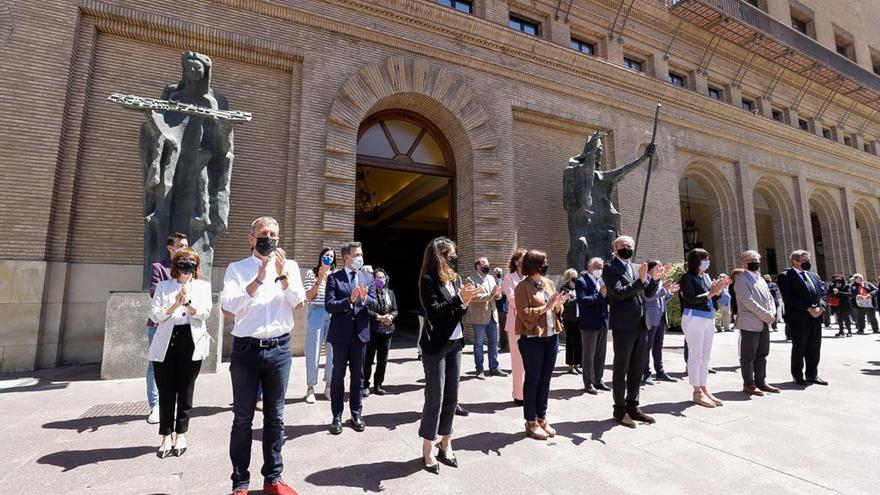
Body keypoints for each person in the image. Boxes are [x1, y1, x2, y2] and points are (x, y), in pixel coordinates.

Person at [221, 216, 305, 495]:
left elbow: (298, 302)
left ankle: (273, 478)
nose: (269, 237)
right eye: (263, 233)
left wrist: (281, 275)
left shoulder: (289, 266)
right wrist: (258, 277)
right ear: (251, 238)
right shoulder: (237, 269)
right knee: (243, 418)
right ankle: (240, 483)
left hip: (279, 349)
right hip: (246, 350)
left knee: (276, 417)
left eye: (273, 234)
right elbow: (229, 307)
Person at [417, 237, 479, 473]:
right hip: (436, 345)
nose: (455, 257)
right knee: (436, 397)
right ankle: (427, 448)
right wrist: (458, 299)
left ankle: (446, 441)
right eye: (451, 254)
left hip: (455, 343)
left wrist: (465, 301)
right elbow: (434, 312)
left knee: (452, 396)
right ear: (440, 256)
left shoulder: (456, 278)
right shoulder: (428, 279)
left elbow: (457, 313)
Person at [148, 246, 210, 458]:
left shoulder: (203, 287)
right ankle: (165, 435)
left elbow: (204, 314)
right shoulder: (164, 286)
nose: (187, 265)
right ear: (176, 265)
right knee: (166, 390)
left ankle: (181, 433)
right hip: (167, 339)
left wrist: (189, 303)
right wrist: (175, 304)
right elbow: (156, 315)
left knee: (186, 389)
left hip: (190, 340)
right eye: (183, 261)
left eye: (192, 261)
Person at [603, 236, 667, 427]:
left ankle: (634, 407)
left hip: (641, 324)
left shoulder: (635, 267)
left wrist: (654, 280)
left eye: (630, 245)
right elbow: (619, 293)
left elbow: (646, 293)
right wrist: (641, 280)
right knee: (621, 368)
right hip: (623, 326)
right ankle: (620, 410)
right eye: (623, 246)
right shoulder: (610, 267)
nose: (627, 248)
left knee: (637, 369)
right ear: (614, 249)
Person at [325, 241, 379, 435]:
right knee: (338, 377)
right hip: (340, 335)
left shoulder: (367, 277)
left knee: (358, 377)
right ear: (346, 257)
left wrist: (364, 299)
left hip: (361, 335)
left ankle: (356, 414)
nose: (360, 257)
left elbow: (375, 303)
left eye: (361, 254)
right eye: (356, 254)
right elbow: (329, 305)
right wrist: (349, 300)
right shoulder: (334, 278)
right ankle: (336, 416)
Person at [515, 250, 568, 440]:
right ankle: (530, 421)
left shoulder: (549, 283)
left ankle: (542, 417)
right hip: (532, 339)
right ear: (535, 264)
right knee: (533, 379)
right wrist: (546, 307)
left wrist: (558, 304)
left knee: (545, 380)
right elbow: (524, 313)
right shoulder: (523, 287)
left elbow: (554, 310)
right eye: (543, 261)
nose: (546, 263)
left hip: (551, 336)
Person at [145, 232, 188, 424]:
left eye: (186, 245)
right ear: (170, 247)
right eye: (180, 245)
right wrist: (176, 293)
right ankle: (155, 405)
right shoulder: (159, 268)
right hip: (160, 324)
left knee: (179, 365)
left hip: (182, 325)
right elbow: (155, 292)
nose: (184, 249)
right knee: (156, 365)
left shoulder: (188, 267)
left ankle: (175, 403)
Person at [679, 248, 729, 408]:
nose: (707, 261)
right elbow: (690, 299)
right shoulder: (687, 277)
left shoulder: (705, 276)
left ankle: (704, 387)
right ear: (695, 261)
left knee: (706, 356)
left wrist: (719, 289)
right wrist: (711, 292)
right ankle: (696, 391)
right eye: (703, 258)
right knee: (696, 354)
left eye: (708, 258)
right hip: (694, 317)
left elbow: (711, 294)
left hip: (708, 317)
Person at [777, 250, 828, 387]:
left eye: (808, 259)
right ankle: (798, 376)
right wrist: (808, 308)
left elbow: (823, 292)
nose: (808, 262)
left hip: (816, 317)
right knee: (799, 348)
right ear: (795, 261)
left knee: (814, 347)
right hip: (798, 318)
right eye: (804, 260)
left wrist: (821, 307)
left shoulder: (813, 275)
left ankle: (812, 375)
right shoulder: (785, 276)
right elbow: (789, 297)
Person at [734, 250, 780, 396]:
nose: (755, 262)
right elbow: (747, 301)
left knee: (762, 353)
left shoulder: (760, 279)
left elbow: (770, 298)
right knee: (748, 355)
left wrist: (772, 312)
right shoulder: (741, 279)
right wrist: (766, 315)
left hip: (764, 322)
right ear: (743, 262)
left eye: (757, 259)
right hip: (750, 322)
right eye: (751, 259)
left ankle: (761, 381)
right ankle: (749, 383)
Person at [303, 248, 336, 404]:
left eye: (331, 256)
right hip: (316, 311)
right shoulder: (311, 273)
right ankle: (310, 388)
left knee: (332, 351)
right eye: (326, 255)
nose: (328, 258)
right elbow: (308, 296)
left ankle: (329, 386)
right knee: (313, 349)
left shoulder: (336, 275)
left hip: (333, 314)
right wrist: (319, 279)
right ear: (321, 256)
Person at [465, 257, 506, 378]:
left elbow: (496, 296)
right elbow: (473, 298)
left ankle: (494, 368)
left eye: (488, 264)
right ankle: (479, 370)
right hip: (479, 317)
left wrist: (498, 295)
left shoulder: (491, 278)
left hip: (493, 316)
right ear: (478, 266)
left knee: (494, 343)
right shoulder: (470, 279)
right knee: (479, 344)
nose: (487, 267)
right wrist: (491, 295)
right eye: (484, 265)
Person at [575, 257, 610, 395]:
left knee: (601, 354)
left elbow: (607, 298)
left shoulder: (601, 281)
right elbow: (583, 301)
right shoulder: (581, 281)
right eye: (597, 267)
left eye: (601, 267)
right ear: (590, 267)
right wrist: (600, 295)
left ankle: (598, 380)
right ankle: (588, 383)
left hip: (603, 321)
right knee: (589, 355)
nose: (600, 270)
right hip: (589, 323)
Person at [363, 268, 398, 396]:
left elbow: (395, 309)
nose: (381, 280)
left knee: (382, 360)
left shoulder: (390, 293)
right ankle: (365, 385)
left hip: (387, 330)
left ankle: (378, 385)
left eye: (382, 277)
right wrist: (379, 317)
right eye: (378, 277)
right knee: (368, 359)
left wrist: (390, 317)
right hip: (373, 330)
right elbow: (366, 310)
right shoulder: (370, 294)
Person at [501, 249, 528, 405]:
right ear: (516, 261)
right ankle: (518, 394)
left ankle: (527, 392)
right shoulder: (508, 278)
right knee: (518, 361)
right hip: (516, 324)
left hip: (531, 324)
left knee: (529, 362)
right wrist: (530, 306)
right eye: (522, 260)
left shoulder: (531, 278)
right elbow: (512, 299)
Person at [643, 273, 678, 385]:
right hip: (651, 319)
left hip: (661, 319)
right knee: (647, 347)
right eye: (659, 267)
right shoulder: (647, 281)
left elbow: (662, 299)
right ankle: (646, 374)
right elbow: (649, 298)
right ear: (652, 269)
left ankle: (660, 372)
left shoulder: (661, 281)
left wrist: (670, 292)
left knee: (658, 346)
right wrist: (664, 289)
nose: (662, 270)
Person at [559, 269, 582, 375]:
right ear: (569, 277)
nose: (575, 278)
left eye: (576, 276)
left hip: (579, 318)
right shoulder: (564, 289)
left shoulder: (579, 288)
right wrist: (579, 299)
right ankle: (570, 365)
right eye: (573, 276)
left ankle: (577, 363)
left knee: (579, 341)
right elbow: (566, 304)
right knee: (571, 342)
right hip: (569, 319)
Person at [494, 267, 509, 350]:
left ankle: (503, 345)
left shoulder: (504, 283)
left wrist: (504, 292)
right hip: (495, 307)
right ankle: (496, 345)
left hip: (503, 308)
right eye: (497, 272)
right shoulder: (493, 283)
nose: (499, 274)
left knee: (503, 327)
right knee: (495, 327)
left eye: (500, 272)